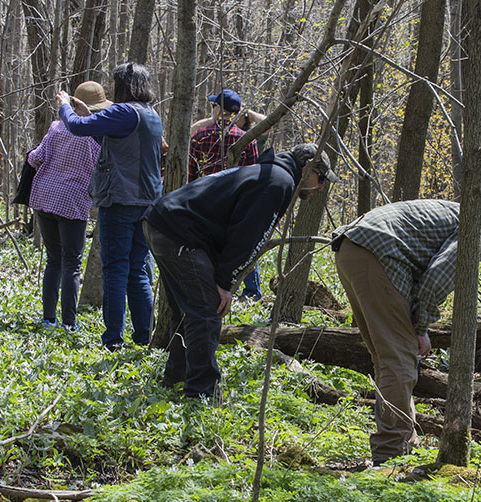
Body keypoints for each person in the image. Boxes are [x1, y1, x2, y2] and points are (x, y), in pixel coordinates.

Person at [330, 200, 481, 465]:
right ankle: (390, 456)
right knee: (399, 360)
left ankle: (405, 442)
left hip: (353, 248)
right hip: (377, 252)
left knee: (390, 358)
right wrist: (420, 328)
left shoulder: (474, 221)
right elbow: (437, 278)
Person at [142, 143, 338, 399]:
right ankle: (201, 393)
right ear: (307, 167)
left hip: (163, 222)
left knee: (187, 309)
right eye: (320, 178)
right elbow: (247, 236)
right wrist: (225, 283)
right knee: (206, 310)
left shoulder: (269, 173)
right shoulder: (278, 183)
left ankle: (177, 378)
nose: (320, 186)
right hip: (178, 231)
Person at [57, 62, 163, 351]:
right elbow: (113, 140)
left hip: (120, 200)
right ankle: (144, 337)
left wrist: (65, 106)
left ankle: (113, 340)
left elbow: (77, 128)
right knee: (138, 270)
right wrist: (89, 113)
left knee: (116, 269)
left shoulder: (123, 112)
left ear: (122, 86)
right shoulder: (150, 115)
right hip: (148, 202)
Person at [28, 81, 107, 332]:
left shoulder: (56, 128)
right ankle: (69, 323)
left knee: (54, 260)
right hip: (73, 200)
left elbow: (35, 158)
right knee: (71, 263)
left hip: (45, 196)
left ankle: (48, 319)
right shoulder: (98, 136)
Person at [188, 88, 262, 300]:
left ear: (218, 110)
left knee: (209, 249)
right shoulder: (247, 139)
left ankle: (210, 290)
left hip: (205, 203)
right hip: (235, 204)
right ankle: (249, 294)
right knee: (240, 247)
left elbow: (191, 176)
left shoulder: (200, 137)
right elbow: (252, 176)